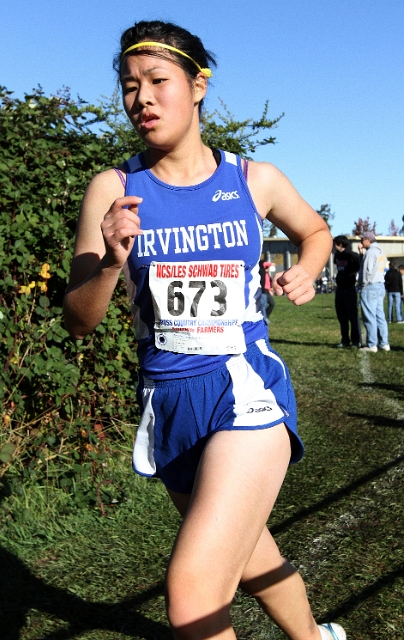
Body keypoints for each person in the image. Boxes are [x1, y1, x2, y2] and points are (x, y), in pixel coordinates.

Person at [63, 20, 346, 640]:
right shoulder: (113, 190)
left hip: (245, 389)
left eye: (158, 81)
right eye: (129, 85)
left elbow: (316, 230)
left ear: (197, 86)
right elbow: (78, 320)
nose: (142, 98)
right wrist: (112, 263)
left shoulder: (253, 180)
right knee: (253, 559)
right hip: (169, 405)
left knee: (192, 596)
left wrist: (307, 268)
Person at [358, 231, 389, 352]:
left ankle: (372, 344)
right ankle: (384, 343)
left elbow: (367, 271)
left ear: (368, 240)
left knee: (369, 316)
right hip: (380, 284)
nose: (361, 242)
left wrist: (362, 284)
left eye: (362, 240)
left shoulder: (370, 253)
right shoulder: (379, 251)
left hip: (370, 286)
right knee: (380, 315)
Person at [332, 235, 361, 347]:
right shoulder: (337, 256)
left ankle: (356, 340)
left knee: (352, 316)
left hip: (349, 288)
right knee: (341, 316)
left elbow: (357, 268)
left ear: (340, 244)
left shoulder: (352, 256)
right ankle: (345, 340)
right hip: (340, 289)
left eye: (335, 244)